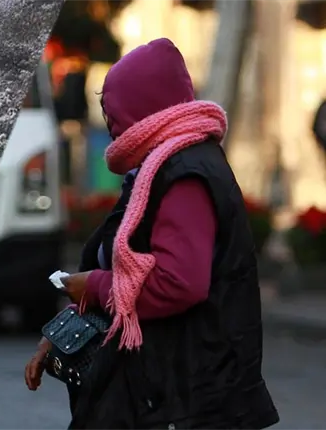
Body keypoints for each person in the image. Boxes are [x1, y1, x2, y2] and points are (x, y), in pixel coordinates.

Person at [24, 38, 279, 429]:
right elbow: (124, 263)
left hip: (185, 401)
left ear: (141, 104)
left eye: (111, 109)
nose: (108, 122)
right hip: (161, 395)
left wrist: (93, 286)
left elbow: (178, 283)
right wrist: (63, 333)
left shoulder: (184, 173)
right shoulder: (159, 168)